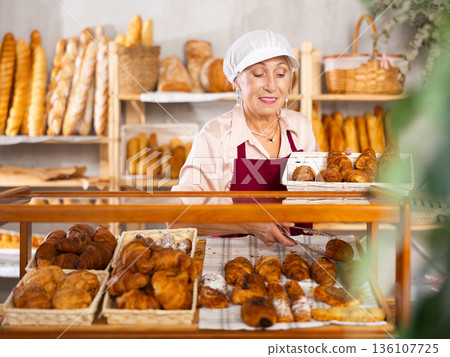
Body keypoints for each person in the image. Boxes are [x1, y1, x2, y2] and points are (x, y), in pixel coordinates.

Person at [171, 30, 320, 246]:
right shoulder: (215, 136)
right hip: (234, 268)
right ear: (236, 81)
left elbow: (320, 196)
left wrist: (343, 173)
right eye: (258, 74)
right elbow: (176, 219)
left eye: (280, 74)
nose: (271, 85)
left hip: (300, 264)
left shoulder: (301, 127)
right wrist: (246, 225)